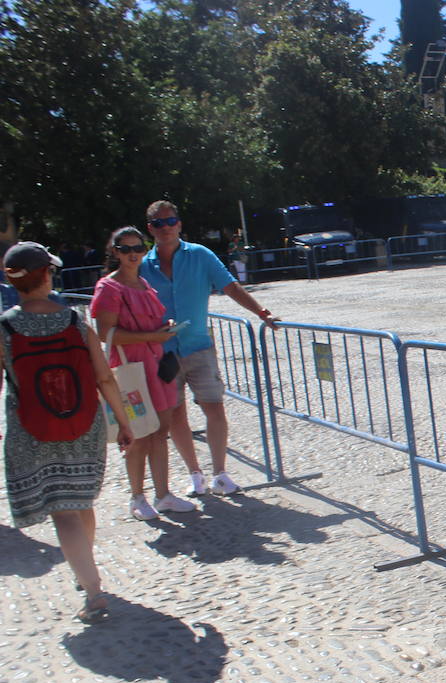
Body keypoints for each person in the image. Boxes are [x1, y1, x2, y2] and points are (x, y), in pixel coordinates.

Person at [1, 242, 133, 622]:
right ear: (47, 274)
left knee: (63, 513)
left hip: (31, 431)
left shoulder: (5, 327)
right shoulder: (76, 322)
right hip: (83, 425)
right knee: (80, 501)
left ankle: (92, 590)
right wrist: (123, 422)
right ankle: (85, 569)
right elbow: (104, 377)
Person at [139, 200, 278, 497]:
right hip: (163, 352)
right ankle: (195, 474)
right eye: (159, 224)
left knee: (214, 408)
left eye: (171, 221)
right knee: (176, 415)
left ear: (179, 224)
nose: (167, 228)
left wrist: (261, 312)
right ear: (150, 228)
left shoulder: (200, 255)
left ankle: (220, 473)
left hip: (198, 346)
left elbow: (230, 286)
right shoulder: (142, 265)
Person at [90, 226, 196, 521]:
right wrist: (152, 335)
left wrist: (163, 330)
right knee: (137, 436)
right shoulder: (109, 288)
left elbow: (149, 322)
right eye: (126, 249)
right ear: (114, 252)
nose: (133, 254)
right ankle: (137, 497)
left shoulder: (142, 282)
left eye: (138, 248)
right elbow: (105, 333)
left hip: (155, 363)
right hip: (131, 368)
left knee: (160, 432)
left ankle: (163, 495)